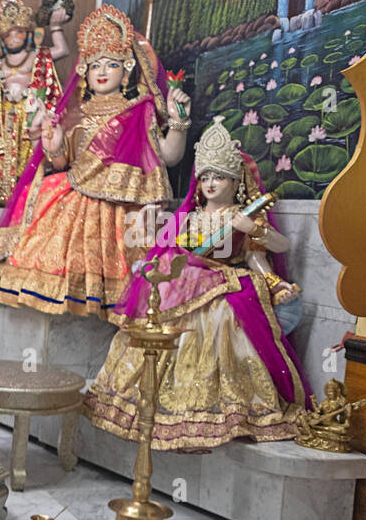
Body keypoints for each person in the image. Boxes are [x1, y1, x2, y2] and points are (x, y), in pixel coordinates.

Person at [84, 118, 309, 448]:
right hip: (183, 285)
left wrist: (257, 242)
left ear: (237, 181)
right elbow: (172, 252)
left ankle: (217, 407)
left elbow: (269, 253)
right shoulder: (191, 217)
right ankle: (152, 400)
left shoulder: (243, 215)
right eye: (205, 176)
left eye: (219, 176)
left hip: (224, 283)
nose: (211, 183)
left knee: (222, 314)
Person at [0, 4, 190, 317]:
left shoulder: (139, 110)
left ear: (126, 71)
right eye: (95, 65)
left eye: (111, 64)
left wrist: (178, 123)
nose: (102, 71)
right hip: (76, 196)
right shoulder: (75, 115)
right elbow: (61, 163)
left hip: (121, 206)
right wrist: (52, 142)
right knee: (46, 194)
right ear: (85, 71)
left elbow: (168, 156)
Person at [0, 0, 69, 202]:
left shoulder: (39, 56)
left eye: (19, 32)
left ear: (28, 33)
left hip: (31, 121)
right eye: (8, 34)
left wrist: (55, 27)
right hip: (2, 120)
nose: (13, 37)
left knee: (31, 163)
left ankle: (30, 196)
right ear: (2, 38)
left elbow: (62, 50)